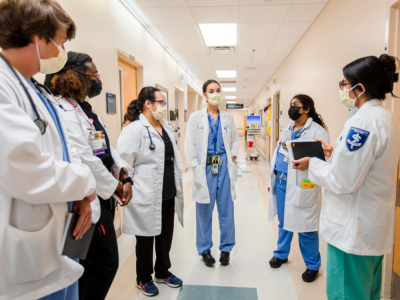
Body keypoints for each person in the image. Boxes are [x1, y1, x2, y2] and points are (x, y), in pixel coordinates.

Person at [0, 1, 98, 299]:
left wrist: (79, 195)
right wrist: (86, 183)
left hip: (58, 236)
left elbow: (59, 152)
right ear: (37, 37)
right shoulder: (4, 85)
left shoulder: (33, 87)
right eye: (60, 42)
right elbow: (23, 168)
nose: (61, 52)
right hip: (28, 253)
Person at [293, 54, 400, 299]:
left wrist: (313, 164)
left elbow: (343, 181)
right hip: (371, 228)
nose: (342, 90)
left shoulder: (361, 123)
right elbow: (368, 165)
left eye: (344, 84)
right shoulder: (385, 118)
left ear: (359, 88)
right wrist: (335, 152)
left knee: (346, 293)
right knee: (367, 294)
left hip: (352, 233)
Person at [44, 51, 133, 300]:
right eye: (94, 75)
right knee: (105, 265)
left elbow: (105, 146)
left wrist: (123, 174)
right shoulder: (62, 111)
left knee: (88, 266)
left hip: (102, 194)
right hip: (88, 197)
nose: (97, 80)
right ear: (75, 76)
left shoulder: (84, 109)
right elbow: (84, 157)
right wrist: (114, 186)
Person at [116, 87, 184, 297]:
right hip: (145, 190)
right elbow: (122, 162)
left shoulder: (167, 128)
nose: (163, 107)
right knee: (145, 236)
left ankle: (162, 271)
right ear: (148, 103)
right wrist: (125, 184)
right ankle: (143, 277)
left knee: (165, 233)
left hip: (167, 188)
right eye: (161, 102)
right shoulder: (134, 129)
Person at [267, 94, 329, 282]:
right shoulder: (288, 128)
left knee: (306, 226)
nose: (292, 107)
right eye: (291, 104)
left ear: (307, 108)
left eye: (296, 104)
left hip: (303, 184)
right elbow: (281, 151)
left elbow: (322, 161)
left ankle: (312, 265)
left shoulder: (318, 132)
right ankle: (281, 254)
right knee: (284, 222)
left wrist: (309, 164)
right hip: (282, 181)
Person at [184, 79, 240, 267]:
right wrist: (194, 164)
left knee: (226, 209)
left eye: (218, 90)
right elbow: (190, 143)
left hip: (223, 164)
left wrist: (232, 155)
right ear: (204, 95)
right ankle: (205, 249)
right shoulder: (195, 117)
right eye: (211, 90)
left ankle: (226, 249)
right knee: (204, 209)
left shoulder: (227, 117)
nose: (215, 93)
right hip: (205, 164)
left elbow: (235, 139)